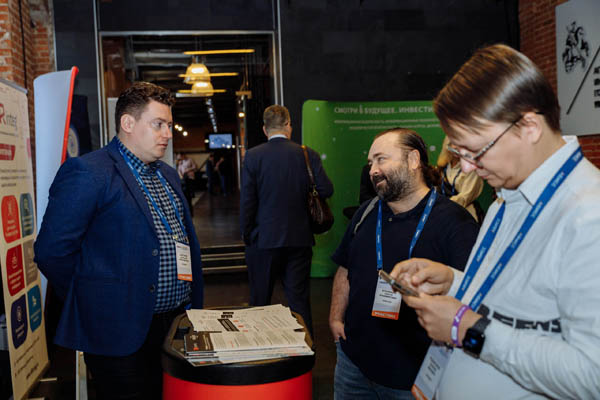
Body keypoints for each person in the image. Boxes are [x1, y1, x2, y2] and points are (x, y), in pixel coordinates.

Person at [391, 44, 600, 399]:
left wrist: (466, 330)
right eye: (459, 152)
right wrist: (454, 282)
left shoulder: (588, 217)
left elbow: (591, 375)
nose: (467, 166)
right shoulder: (509, 195)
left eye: (476, 151)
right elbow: (524, 306)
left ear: (529, 126)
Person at [34, 82, 204, 400]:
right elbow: (51, 252)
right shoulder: (89, 172)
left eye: (169, 125)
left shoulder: (168, 175)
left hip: (175, 324)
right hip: (118, 329)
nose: (167, 133)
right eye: (158, 124)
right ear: (128, 123)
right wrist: (95, 297)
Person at [329, 128, 479, 399]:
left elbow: (472, 296)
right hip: (354, 364)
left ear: (413, 160)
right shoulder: (366, 212)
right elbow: (345, 267)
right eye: (370, 163)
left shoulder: (455, 223)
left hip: (412, 375)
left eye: (381, 159)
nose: (373, 170)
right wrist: (335, 317)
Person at [240, 104, 333, 335]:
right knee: (299, 300)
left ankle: (260, 348)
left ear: (265, 129)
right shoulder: (307, 154)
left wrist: (247, 234)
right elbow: (326, 189)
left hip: (263, 240)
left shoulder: (253, 156)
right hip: (299, 238)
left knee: (260, 300)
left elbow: (248, 201)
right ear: (288, 125)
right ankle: (306, 347)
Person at [437, 135, 484, 222]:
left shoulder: (471, 168)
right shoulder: (442, 167)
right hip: (443, 214)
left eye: (462, 145)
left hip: (465, 215)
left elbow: (465, 197)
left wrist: (442, 206)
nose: (457, 148)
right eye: (454, 143)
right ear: (447, 145)